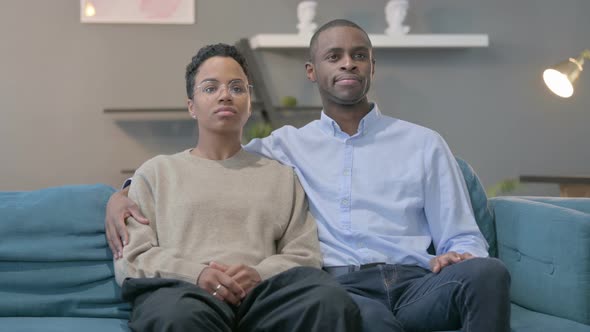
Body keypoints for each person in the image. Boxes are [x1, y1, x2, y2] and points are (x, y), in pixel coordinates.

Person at [107, 20, 511, 331]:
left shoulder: (423, 143)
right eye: (333, 56)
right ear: (312, 71)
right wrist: (122, 192)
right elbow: (212, 163)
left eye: (358, 55)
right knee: (355, 315)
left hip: (416, 281)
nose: (347, 63)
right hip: (345, 286)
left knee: (488, 272)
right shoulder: (285, 147)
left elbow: (462, 235)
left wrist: (461, 255)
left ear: (373, 66)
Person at [113, 43, 361, 332]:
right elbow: (133, 257)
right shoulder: (156, 172)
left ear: (249, 101)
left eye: (236, 88)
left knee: (328, 300)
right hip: (185, 291)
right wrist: (198, 274)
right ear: (191, 106)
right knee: (175, 315)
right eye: (210, 88)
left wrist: (258, 273)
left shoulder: (280, 176)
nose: (225, 96)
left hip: (265, 294)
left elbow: (305, 254)